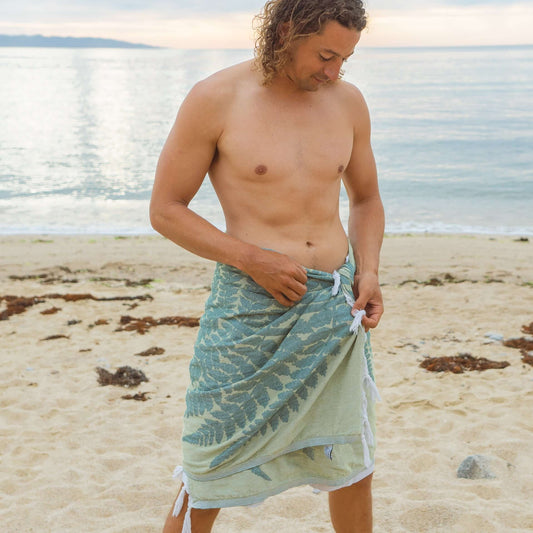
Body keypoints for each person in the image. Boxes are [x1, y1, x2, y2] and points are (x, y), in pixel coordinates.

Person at [150, 0, 384, 531]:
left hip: (334, 305)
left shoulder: (348, 102)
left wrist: (368, 270)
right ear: (285, 31)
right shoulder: (216, 98)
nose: (333, 72)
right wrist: (251, 260)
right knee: (208, 463)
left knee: (350, 461)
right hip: (251, 306)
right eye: (325, 55)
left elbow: (366, 199)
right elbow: (165, 209)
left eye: (344, 59)